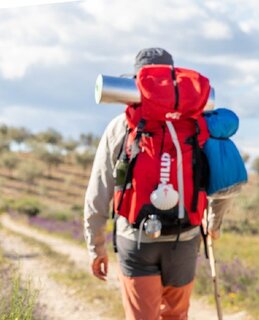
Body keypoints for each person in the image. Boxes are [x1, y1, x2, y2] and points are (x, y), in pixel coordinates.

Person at [83, 47, 232, 320]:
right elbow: (222, 181)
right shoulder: (197, 125)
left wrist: (96, 246)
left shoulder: (121, 126)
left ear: (136, 82)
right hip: (185, 237)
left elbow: (99, 189)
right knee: (176, 316)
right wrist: (214, 224)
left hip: (136, 238)